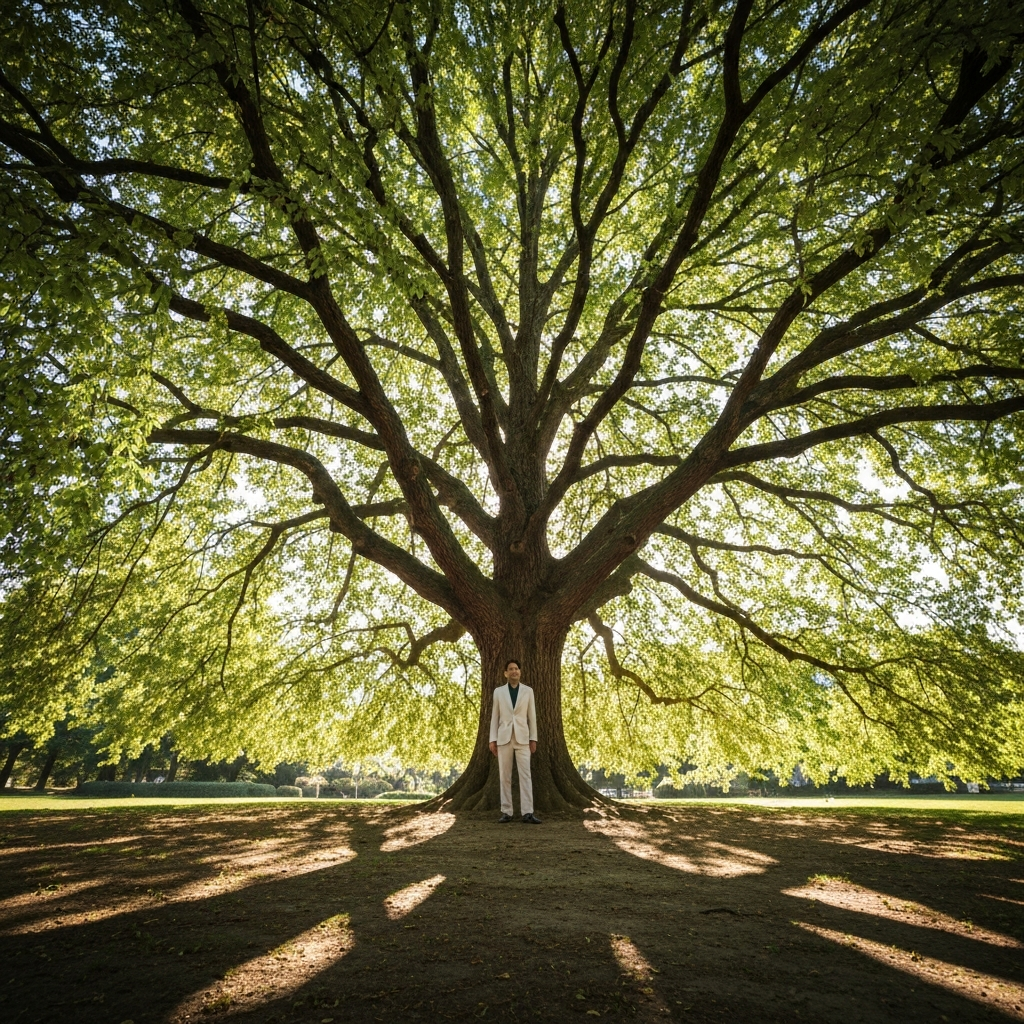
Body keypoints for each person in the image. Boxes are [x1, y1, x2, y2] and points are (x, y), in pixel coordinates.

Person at [489, 659, 541, 824]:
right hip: (504, 738)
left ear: (520, 672)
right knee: (504, 776)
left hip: (523, 738)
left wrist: (533, 738)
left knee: (525, 775)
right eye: (511, 669)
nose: (514, 671)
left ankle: (527, 812)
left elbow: (532, 717)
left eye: (517, 669)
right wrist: (492, 740)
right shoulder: (498, 692)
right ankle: (507, 812)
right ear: (505, 673)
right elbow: (494, 717)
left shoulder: (528, 691)